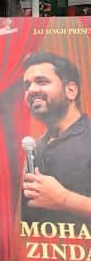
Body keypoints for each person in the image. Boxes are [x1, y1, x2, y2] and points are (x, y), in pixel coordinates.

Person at [21, 52, 91, 226]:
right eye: (27, 85)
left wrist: (64, 199)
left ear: (71, 90)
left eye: (42, 81)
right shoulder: (35, 147)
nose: (31, 90)